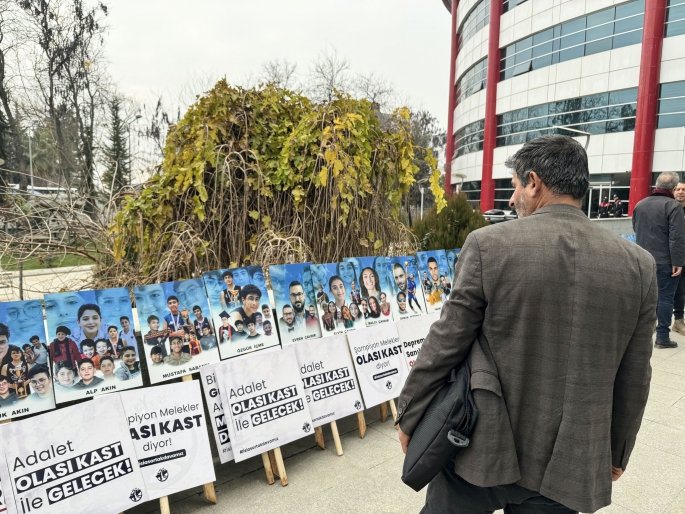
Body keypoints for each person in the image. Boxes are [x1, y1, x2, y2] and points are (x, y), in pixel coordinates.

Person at [396, 135, 656, 514]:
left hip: (479, 443)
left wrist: (411, 413)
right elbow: (635, 376)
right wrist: (618, 450)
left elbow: (446, 341)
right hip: (570, 459)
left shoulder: (488, 245)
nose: (512, 199)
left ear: (534, 182)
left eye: (515, 186)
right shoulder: (639, 265)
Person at [633, 171, 685, 348]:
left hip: (642, 259)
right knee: (665, 299)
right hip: (665, 261)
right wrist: (678, 262)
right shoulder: (673, 206)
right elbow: (677, 237)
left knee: (646, 298)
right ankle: (662, 337)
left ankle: (642, 334)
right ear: (672, 188)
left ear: (656, 185)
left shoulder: (640, 204)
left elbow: (635, 229)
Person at [674, 180, 685, 336]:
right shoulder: (668, 208)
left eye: (683, 189)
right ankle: (654, 320)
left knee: (682, 290)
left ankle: (678, 320)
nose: (680, 192)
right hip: (669, 256)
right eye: (677, 189)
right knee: (661, 291)